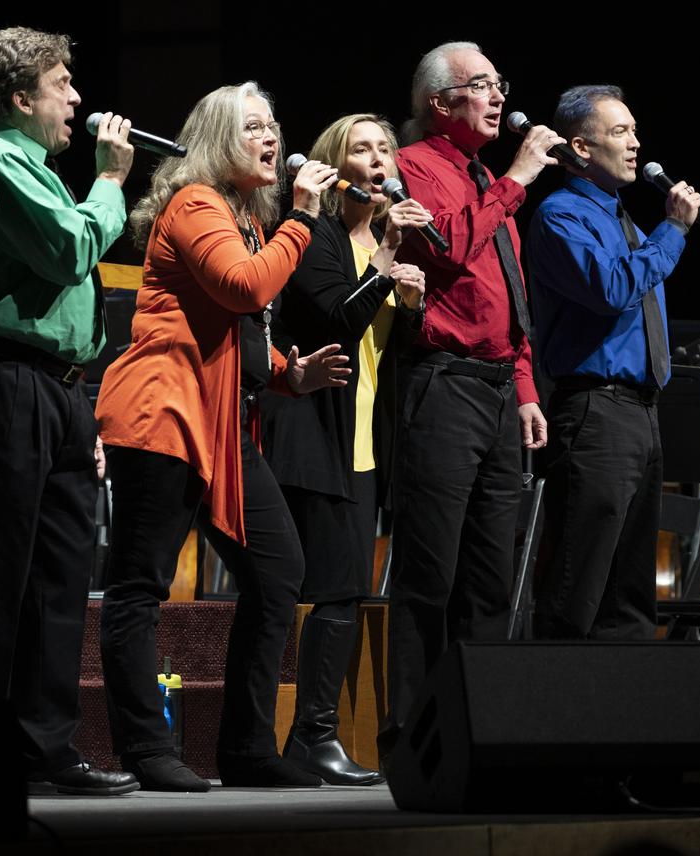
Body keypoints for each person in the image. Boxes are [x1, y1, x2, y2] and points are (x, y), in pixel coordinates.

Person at [95, 82, 347, 789]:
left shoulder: (242, 217)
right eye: (253, 128)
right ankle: (147, 751)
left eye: (273, 125)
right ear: (215, 141)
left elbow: (236, 330)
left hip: (218, 422)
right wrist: (301, 216)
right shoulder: (197, 204)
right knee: (138, 586)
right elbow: (245, 290)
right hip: (162, 413)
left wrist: (285, 376)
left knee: (277, 573)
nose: (271, 139)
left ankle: (245, 747)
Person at [0, 26, 138, 795]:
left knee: (60, 578)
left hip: (57, 388)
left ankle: (44, 749)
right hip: (6, 381)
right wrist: (112, 179)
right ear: (20, 98)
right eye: (62, 86)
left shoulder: (41, 171)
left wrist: (76, 403)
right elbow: (70, 250)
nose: (78, 100)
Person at [381, 41, 562, 754]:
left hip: (494, 392)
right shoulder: (416, 168)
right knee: (431, 569)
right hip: (443, 385)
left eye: (498, 84)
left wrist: (524, 388)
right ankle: (412, 734)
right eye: (481, 86)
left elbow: (508, 297)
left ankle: (484, 728)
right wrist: (515, 181)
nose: (496, 97)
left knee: (491, 574)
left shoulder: (488, 178)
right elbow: (449, 250)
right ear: (440, 104)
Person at [261, 114, 430, 784]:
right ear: (335, 167)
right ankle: (311, 737)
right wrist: (388, 261)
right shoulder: (318, 237)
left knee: (348, 592)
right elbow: (336, 316)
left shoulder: (387, 248)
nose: (379, 158)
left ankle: (314, 737)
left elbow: (390, 353)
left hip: (365, 443)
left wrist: (411, 305)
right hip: (313, 435)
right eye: (362, 148)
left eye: (385, 147)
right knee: (330, 590)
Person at [526, 85, 700, 641]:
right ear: (580, 148)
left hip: (641, 414)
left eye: (634, 130)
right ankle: (551, 714)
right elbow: (612, 288)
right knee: (577, 582)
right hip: (595, 413)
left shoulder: (619, 217)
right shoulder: (561, 216)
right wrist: (672, 231)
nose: (636, 144)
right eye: (619, 133)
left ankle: (622, 718)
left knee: (630, 592)